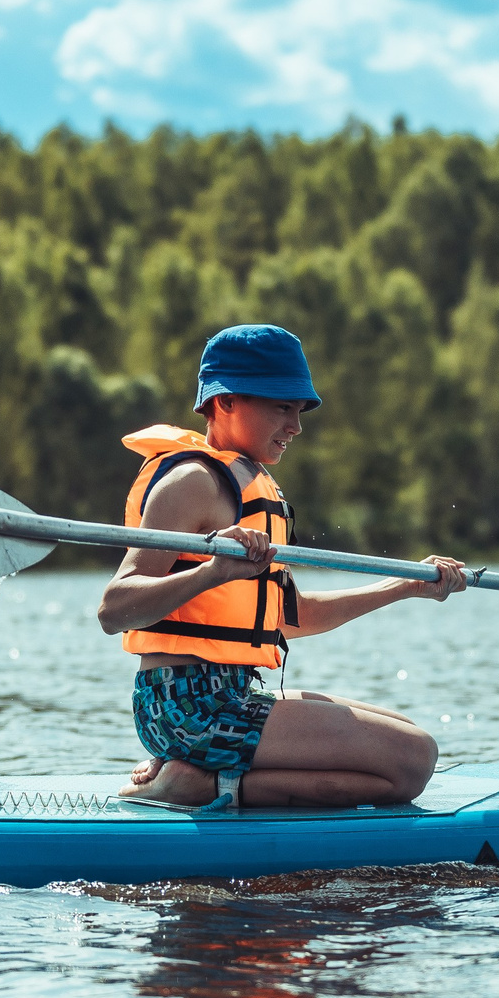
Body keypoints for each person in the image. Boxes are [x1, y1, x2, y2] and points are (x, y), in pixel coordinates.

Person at [98, 323, 468, 811]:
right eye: (282, 407)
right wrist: (212, 571)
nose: (296, 426)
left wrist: (404, 586)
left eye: (299, 410)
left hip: (232, 693)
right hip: (186, 706)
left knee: (406, 736)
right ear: (225, 401)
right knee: (412, 759)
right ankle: (202, 787)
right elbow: (114, 609)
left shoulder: (256, 490)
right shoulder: (191, 481)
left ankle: (202, 776)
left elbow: (292, 618)